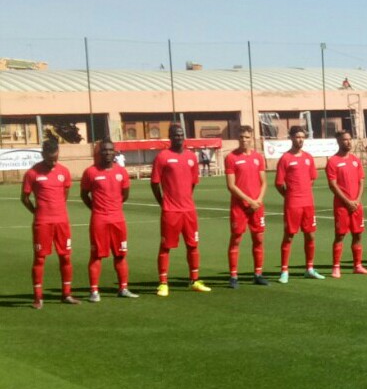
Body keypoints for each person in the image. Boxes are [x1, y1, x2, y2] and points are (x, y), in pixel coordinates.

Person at [151, 124, 210, 296]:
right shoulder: (162, 157)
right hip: (170, 211)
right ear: (170, 137)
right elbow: (154, 183)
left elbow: (193, 183)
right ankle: (163, 283)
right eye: (175, 135)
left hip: (189, 210)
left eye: (181, 134)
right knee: (165, 246)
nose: (179, 137)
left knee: (193, 245)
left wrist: (186, 199)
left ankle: (195, 280)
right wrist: (162, 202)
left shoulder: (191, 157)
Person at [22, 139, 78, 308]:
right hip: (43, 223)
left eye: (55, 158)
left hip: (62, 222)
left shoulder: (64, 171)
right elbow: (24, 198)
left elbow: (65, 193)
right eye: (50, 159)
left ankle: (66, 294)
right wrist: (37, 212)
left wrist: (57, 210)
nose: (53, 162)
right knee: (40, 259)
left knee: (65, 256)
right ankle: (38, 298)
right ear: (43, 154)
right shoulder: (32, 173)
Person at [80, 140, 138, 302]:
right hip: (99, 220)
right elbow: (84, 195)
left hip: (118, 219)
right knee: (96, 256)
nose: (107, 153)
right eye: (104, 150)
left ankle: (123, 288)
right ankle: (94, 291)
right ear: (99, 153)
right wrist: (96, 209)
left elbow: (125, 195)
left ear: (114, 152)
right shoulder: (90, 172)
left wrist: (114, 208)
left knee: (120, 254)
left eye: (110, 150)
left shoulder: (121, 172)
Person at [275, 125, 323, 282]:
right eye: (297, 137)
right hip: (293, 204)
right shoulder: (285, 158)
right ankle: (284, 271)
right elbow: (278, 183)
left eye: (302, 137)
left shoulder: (308, 157)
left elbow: (312, 178)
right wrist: (289, 196)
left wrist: (304, 192)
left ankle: (309, 268)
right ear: (291, 138)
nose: (300, 140)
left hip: (308, 203)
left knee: (310, 235)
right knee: (289, 236)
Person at [224, 125, 269, 288]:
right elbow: (231, 186)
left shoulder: (258, 157)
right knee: (236, 239)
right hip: (240, 207)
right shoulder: (231, 157)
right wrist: (250, 201)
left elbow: (264, 182)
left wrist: (258, 200)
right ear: (238, 138)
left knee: (258, 239)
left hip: (257, 206)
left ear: (252, 138)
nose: (244, 140)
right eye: (241, 137)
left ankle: (258, 274)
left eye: (247, 137)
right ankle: (233, 276)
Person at [326, 130, 367, 277]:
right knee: (340, 235)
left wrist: (357, 200)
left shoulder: (355, 160)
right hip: (342, 206)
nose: (348, 142)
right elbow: (333, 185)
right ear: (338, 142)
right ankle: (336, 267)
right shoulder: (333, 161)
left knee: (358, 235)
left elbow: (361, 181)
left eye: (349, 139)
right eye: (345, 140)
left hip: (357, 205)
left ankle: (357, 265)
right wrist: (347, 202)